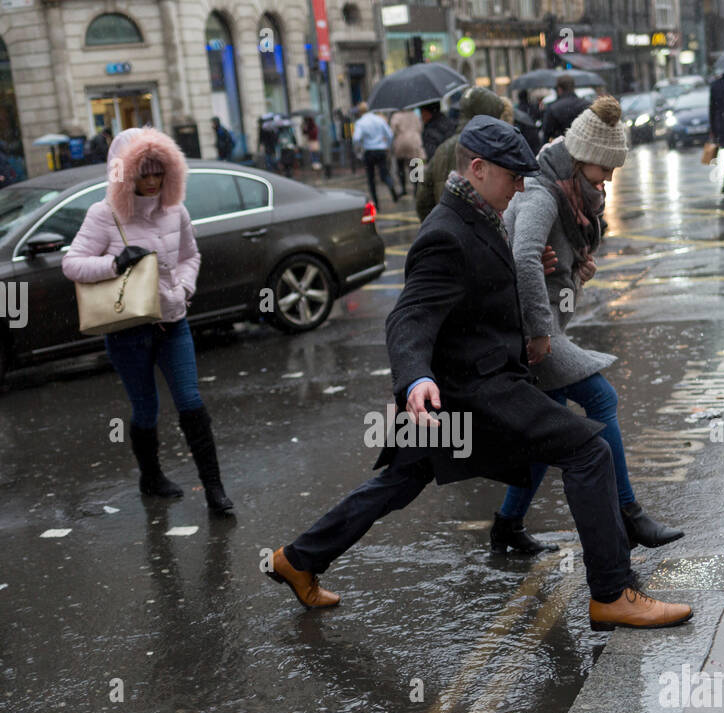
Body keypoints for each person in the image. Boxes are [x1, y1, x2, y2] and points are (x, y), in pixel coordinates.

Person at [265, 114, 692, 630]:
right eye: (513, 176)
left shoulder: (482, 217)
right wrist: (415, 379)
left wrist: (546, 271)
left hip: (458, 393)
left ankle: (299, 558)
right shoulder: (445, 233)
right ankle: (611, 593)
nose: (520, 186)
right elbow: (410, 316)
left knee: (399, 481)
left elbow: (488, 284)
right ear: (478, 168)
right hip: (474, 390)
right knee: (588, 451)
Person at [497, 96, 682, 554]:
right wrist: (540, 333)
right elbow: (522, 257)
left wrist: (575, 275)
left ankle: (507, 526)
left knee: (549, 425)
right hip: (530, 335)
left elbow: (548, 266)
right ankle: (628, 512)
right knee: (602, 396)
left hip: (542, 330)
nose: (609, 179)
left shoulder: (569, 193)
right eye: (604, 169)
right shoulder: (542, 194)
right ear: (581, 160)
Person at [61, 128, 233, 514]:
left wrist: (185, 289)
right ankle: (151, 476)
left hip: (173, 323)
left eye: (160, 173)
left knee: (190, 401)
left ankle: (214, 490)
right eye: (144, 174)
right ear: (126, 175)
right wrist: (114, 263)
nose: (153, 182)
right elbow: (71, 263)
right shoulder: (103, 215)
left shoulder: (176, 211)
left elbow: (191, 255)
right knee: (145, 410)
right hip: (127, 330)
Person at [414, 86, 511, 222]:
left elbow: (423, 199)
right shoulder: (492, 147)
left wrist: (437, 225)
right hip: (482, 233)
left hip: (447, 228)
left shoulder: (442, 149)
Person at [353, 103, 401, 206]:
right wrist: (387, 145)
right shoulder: (379, 120)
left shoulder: (360, 123)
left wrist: (358, 150)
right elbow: (390, 134)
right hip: (381, 150)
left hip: (369, 151)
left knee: (371, 178)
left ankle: (376, 203)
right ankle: (391, 187)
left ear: (360, 112)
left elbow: (356, 138)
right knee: (384, 174)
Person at [541, 74, 589, 141]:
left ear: (559, 89)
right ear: (573, 87)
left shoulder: (553, 108)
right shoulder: (586, 104)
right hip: (582, 145)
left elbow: (547, 132)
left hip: (561, 147)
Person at [389, 107, 423, 196]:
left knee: (400, 166)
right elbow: (420, 127)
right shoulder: (415, 115)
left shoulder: (396, 116)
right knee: (414, 165)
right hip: (414, 141)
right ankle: (416, 188)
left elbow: (392, 130)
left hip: (401, 141)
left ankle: (403, 188)